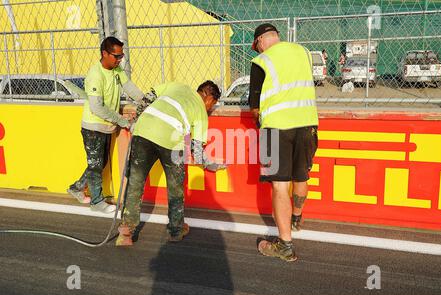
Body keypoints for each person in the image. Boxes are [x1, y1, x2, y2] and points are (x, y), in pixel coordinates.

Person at [115, 80, 226, 246]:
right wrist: (212, 165)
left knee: (135, 182)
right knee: (176, 188)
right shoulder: (200, 110)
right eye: (213, 105)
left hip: (143, 130)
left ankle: (126, 233)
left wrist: (137, 119)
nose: (211, 109)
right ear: (209, 98)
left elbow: (148, 97)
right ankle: (175, 230)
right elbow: (197, 150)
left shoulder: (177, 86)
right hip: (172, 141)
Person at [249, 23, 319, 262]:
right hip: (308, 123)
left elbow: (255, 106)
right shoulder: (304, 52)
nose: (258, 50)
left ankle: (286, 245)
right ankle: (296, 218)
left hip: (277, 127)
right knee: (302, 176)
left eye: (257, 46)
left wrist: (260, 123)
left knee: (280, 186)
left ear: (260, 41)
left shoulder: (262, 61)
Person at [67, 36, 151, 213]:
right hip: (93, 127)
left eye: (121, 56)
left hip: (106, 127)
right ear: (104, 53)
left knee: (99, 162)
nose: (120, 59)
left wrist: (145, 102)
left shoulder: (116, 69)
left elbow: (128, 86)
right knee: (96, 164)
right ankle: (96, 202)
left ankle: (77, 187)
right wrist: (122, 121)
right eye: (116, 56)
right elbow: (97, 107)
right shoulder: (95, 75)